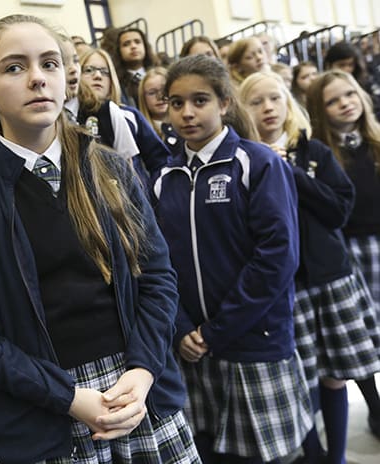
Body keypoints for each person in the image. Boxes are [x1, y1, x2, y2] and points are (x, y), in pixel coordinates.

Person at [0, 14, 200, 464]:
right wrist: (70, 397)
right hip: (42, 404)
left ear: (67, 78)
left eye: (50, 64)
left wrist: (142, 371)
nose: (37, 78)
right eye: (15, 68)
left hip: (136, 393)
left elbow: (157, 277)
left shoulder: (110, 168)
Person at [152, 55, 313, 463]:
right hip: (192, 347)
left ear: (225, 102)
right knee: (207, 450)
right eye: (176, 102)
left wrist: (216, 330)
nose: (186, 112)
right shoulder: (163, 178)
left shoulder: (257, 163)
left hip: (252, 339)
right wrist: (183, 328)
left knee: (267, 456)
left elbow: (277, 258)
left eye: (200, 100)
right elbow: (156, 265)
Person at [241, 70, 380, 464]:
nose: (268, 108)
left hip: (331, 279)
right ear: (241, 110)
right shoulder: (243, 160)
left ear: (288, 103)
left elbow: (338, 210)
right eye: (257, 101)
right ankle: (312, 452)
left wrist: (293, 173)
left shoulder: (313, 151)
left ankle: (334, 457)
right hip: (287, 286)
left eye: (275, 98)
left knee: (336, 375)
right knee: (301, 378)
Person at [307, 69, 380, 440]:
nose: (345, 103)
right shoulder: (320, 154)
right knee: (362, 333)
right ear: (320, 111)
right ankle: (375, 405)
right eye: (333, 101)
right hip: (348, 252)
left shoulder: (376, 140)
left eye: (349, 94)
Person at [76, 47, 168, 177]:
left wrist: (152, 191)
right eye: (89, 70)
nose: (97, 76)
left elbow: (160, 161)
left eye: (104, 71)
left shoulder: (129, 115)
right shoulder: (70, 117)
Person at [114, 28, 158, 107]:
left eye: (137, 42)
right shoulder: (117, 84)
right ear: (119, 51)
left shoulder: (159, 74)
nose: (133, 46)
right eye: (126, 44)